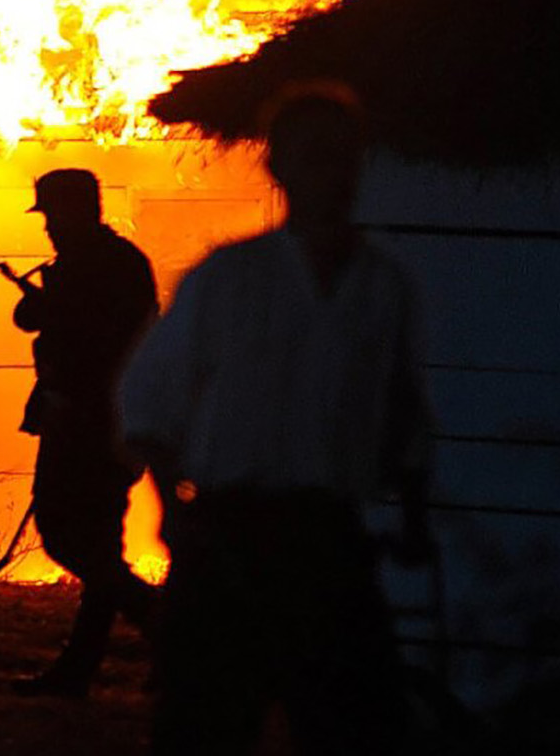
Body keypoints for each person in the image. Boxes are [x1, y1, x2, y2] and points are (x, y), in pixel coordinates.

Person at [120, 87, 434, 756]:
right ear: (279, 169)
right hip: (230, 538)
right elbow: (149, 403)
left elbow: (404, 411)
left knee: (358, 730)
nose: (331, 173)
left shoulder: (383, 287)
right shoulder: (229, 279)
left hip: (330, 540)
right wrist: (176, 515)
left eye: (341, 157)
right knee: (206, 729)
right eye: (313, 156)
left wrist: (409, 514)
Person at [9, 168, 161, 697]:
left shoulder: (115, 267)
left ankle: (160, 623)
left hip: (101, 424)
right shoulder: (82, 264)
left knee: (75, 538)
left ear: (77, 211)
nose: (47, 227)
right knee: (90, 547)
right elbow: (33, 321)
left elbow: (117, 345)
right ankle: (82, 668)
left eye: (52, 214)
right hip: (74, 419)